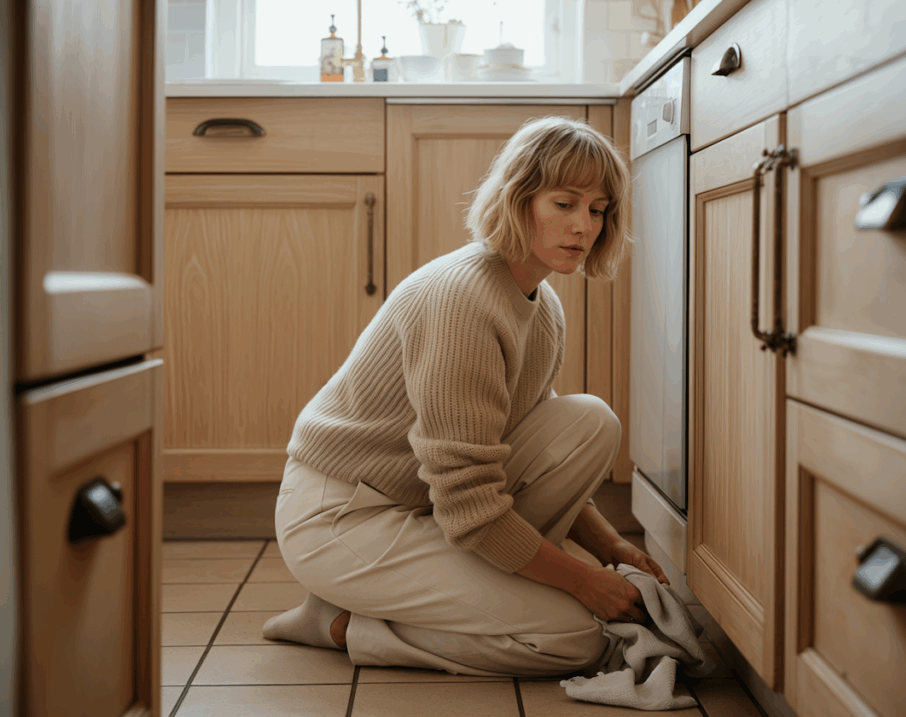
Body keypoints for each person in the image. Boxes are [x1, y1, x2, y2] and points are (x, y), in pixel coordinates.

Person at [262, 115, 670, 678]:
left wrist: (611, 549)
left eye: (598, 210)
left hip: (425, 501)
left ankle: (439, 592)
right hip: (342, 517)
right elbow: (471, 507)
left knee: (588, 421)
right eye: (565, 204)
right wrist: (583, 582)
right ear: (519, 199)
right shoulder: (461, 299)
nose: (584, 226)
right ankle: (339, 623)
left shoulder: (540, 302)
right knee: (573, 640)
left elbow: (507, 448)